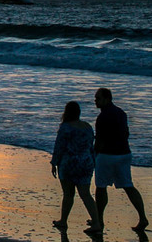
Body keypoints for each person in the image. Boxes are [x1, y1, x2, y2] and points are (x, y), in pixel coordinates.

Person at [94, 87, 151, 232]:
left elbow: (100, 140)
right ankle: (143, 217)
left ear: (107, 99)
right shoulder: (121, 113)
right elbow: (126, 133)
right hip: (124, 153)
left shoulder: (102, 117)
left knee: (101, 188)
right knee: (128, 186)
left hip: (107, 155)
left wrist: (94, 155)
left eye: (98, 98)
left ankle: (99, 220)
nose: (95, 101)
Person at [50, 100, 102, 234]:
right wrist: (93, 162)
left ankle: (63, 220)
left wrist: (54, 163)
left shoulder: (65, 127)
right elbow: (91, 146)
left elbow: (59, 147)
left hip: (69, 163)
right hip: (85, 163)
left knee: (68, 194)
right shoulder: (87, 126)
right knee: (86, 194)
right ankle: (96, 222)